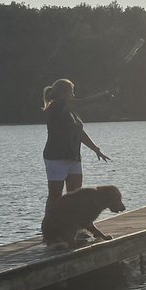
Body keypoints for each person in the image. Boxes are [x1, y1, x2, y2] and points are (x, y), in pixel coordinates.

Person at [42, 78, 112, 209]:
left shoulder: (71, 111)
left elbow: (80, 133)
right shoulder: (57, 106)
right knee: (55, 196)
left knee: (75, 195)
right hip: (55, 158)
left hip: (73, 157)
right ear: (62, 94)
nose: (73, 95)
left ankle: (73, 224)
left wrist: (95, 149)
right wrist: (100, 97)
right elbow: (82, 103)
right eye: (71, 92)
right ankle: (49, 224)